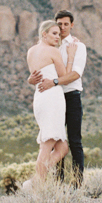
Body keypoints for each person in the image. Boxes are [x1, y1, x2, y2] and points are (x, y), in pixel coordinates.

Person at [28, 10, 87, 185]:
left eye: (65, 24)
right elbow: (38, 73)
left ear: (71, 25)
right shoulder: (51, 46)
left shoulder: (78, 46)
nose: (62, 28)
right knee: (54, 142)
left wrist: (54, 81)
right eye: (59, 25)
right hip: (54, 98)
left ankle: (77, 184)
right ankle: (57, 183)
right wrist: (30, 79)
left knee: (73, 141)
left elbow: (75, 74)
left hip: (70, 96)